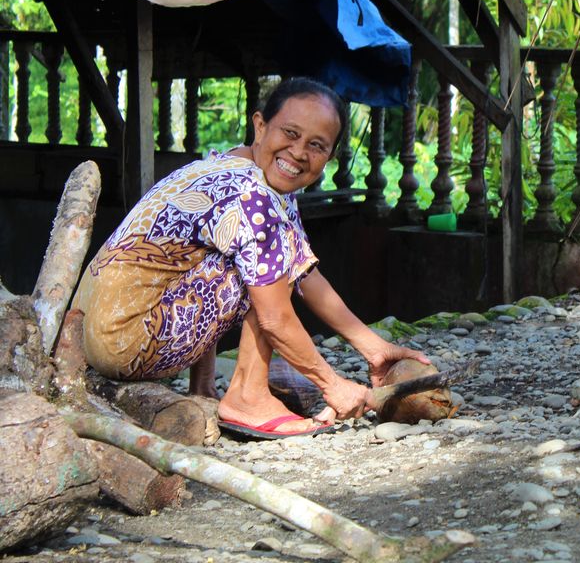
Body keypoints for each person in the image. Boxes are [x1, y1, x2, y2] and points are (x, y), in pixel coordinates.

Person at [73, 76, 428, 439]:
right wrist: (332, 385)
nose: (298, 152)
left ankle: (206, 384)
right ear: (260, 125)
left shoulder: (242, 167)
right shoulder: (252, 195)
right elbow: (274, 315)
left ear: (330, 156)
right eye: (289, 133)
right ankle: (248, 397)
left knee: (265, 260)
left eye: (316, 145)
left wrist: (374, 346)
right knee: (264, 270)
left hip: (91, 334)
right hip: (125, 340)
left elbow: (305, 273)